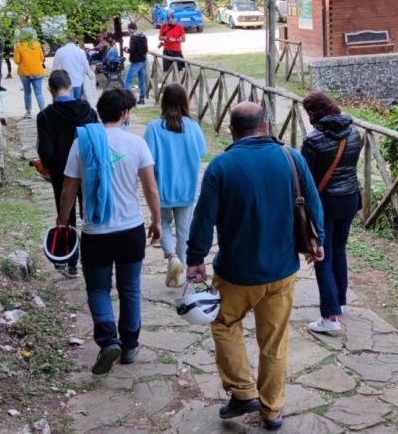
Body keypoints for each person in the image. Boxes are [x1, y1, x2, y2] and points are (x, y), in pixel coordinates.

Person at [186, 102, 324, 432]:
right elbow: (313, 202)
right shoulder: (291, 158)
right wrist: (318, 242)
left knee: (223, 324)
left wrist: (195, 260)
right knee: (274, 341)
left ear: (232, 130)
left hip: (235, 273)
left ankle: (242, 390)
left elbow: (203, 220)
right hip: (281, 271)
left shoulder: (221, 167)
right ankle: (272, 410)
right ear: (265, 126)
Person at [57, 88, 162, 375]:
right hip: (130, 229)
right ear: (126, 113)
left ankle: (107, 341)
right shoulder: (136, 144)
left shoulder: (83, 143)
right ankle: (129, 345)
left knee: (99, 288)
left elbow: (69, 188)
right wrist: (157, 220)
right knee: (130, 288)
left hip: (96, 232)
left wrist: (63, 221)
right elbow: (151, 188)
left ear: (100, 113)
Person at [300, 92, 362, 336]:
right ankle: (340, 301)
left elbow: (306, 178)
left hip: (324, 202)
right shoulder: (354, 132)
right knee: (339, 250)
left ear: (313, 113)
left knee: (321, 254)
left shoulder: (313, 140)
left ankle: (330, 316)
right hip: (350, 198)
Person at [143, 84, 207, 287]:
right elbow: (202, 152)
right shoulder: (193, 126)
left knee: (162, 223)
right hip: (186, 187)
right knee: (184, 230)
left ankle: (172, 258)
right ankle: (184, 270)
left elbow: (148, 158)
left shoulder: (154, 127)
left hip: (162, 187)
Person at [37, 70, 99, 277]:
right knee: (88, 212)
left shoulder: (45, 116)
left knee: (66, 216)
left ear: (50, 90)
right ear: (70, 86)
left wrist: (48, 166)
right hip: (88, 169)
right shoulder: (87, 110)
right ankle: (93, 258)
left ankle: (71, 261)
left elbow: (45, 149)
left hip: (61, 173)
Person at [13, 27, 46, 118]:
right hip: (37, 72)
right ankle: (43, 112)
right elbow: (42, 58)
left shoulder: (19, 46)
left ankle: (28, 112)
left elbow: (16, 61)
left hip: (24, 73)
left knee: (27, 92)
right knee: (39, 93)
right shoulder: (37, 45)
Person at [124, 22, 148, 104]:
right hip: (143, 61)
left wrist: (127, 50)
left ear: (130, 29)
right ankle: (142, 99)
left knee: (127, 81)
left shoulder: (133, 37)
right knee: (142, 81)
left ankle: (128, 100)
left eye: (129, 29)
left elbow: (132, 50)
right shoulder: (143, 36)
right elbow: (145, 49)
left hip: (136, 62)